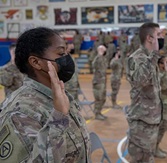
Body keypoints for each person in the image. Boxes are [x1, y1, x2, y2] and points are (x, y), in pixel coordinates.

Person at [0, 27, 90, 162]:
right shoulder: (20, 112)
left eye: (66, 52)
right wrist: (58, 117)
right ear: (36, 62)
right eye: (60, 53)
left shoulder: (57, 95)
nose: (67, 58)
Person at [125, 22, 163, 163]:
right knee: (140, 159)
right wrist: (154, 55)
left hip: (151, 119)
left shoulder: (149, 58)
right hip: (141, 122)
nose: (161, 38)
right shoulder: (136, 58)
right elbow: (140, 81)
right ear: (150, 38)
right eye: (158, 35)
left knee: (148, 158)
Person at [156, 56, 167, 158]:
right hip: (161, 104)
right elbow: (165, 87)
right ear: (160, 64)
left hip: (166, 103)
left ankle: (156, 146)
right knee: (161, 127)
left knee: (163, 127)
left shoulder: (163, 74)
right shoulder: (159, 75)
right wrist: (166, 72)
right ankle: (154, 148)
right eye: (165, 63)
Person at [92, 45, 108, 120]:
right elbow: (94, 65)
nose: (105, 51)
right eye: (103, 50)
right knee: (98, 98)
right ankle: (97, 113)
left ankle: (99, 112)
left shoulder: (104, 59)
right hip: (98, 82)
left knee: (103, 98)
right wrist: (99, 54)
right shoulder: (97, 58)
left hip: (103, 81)